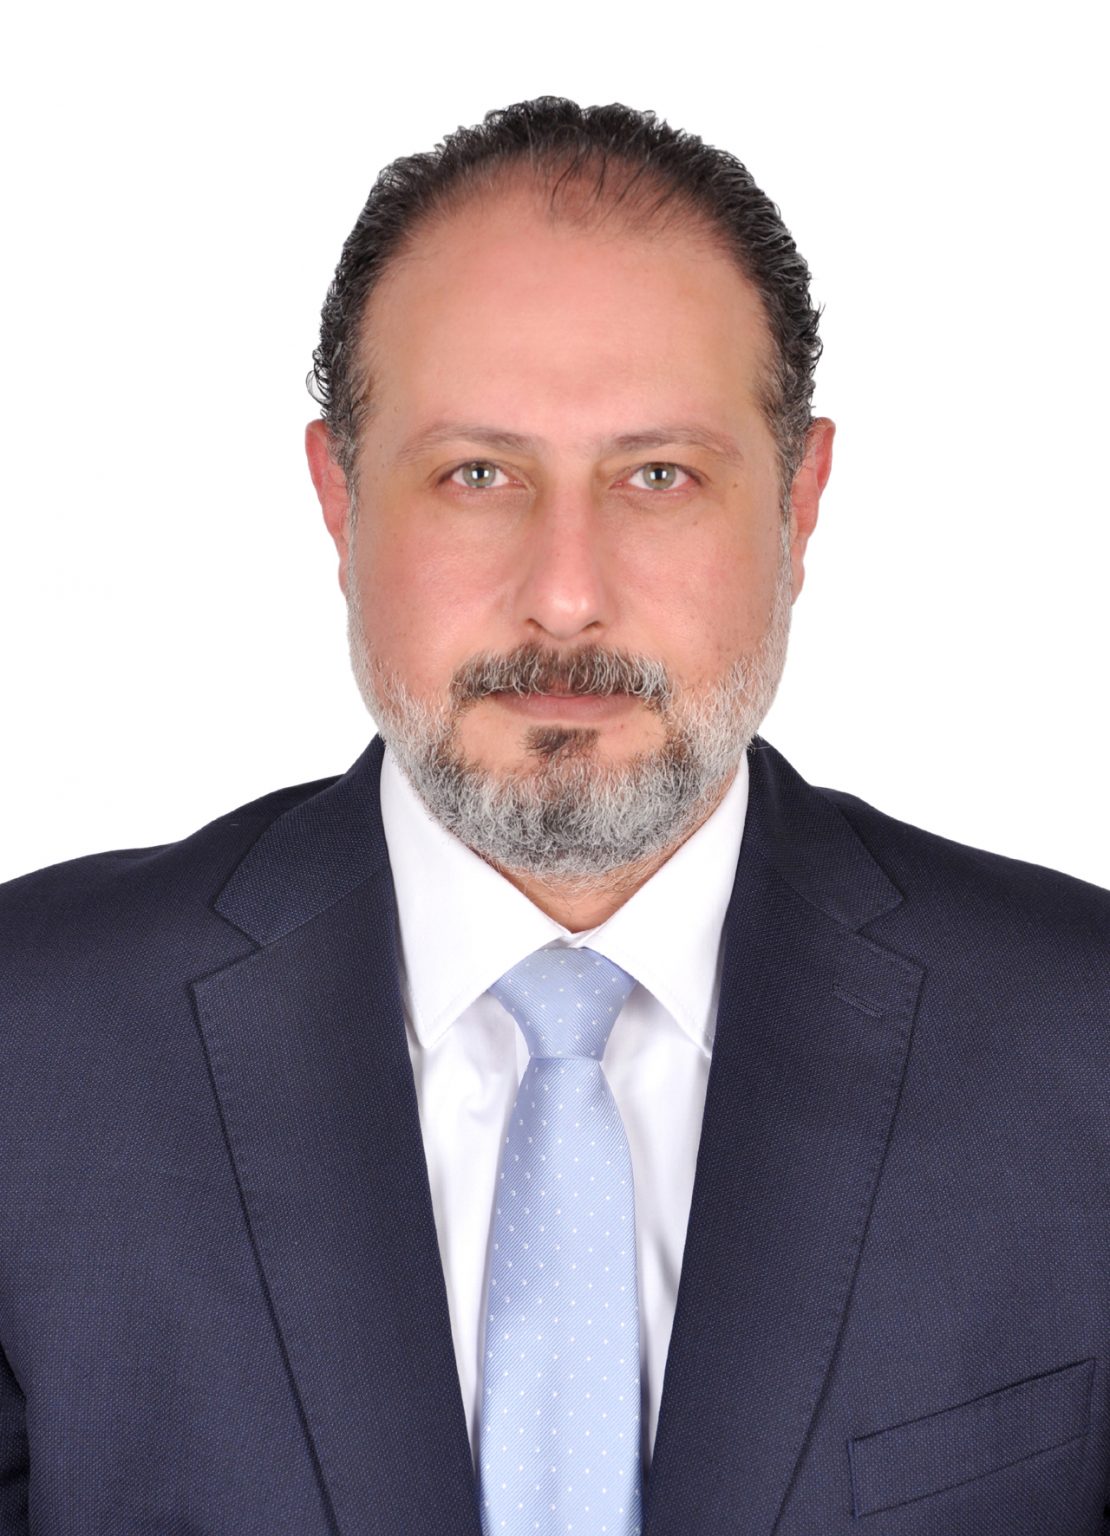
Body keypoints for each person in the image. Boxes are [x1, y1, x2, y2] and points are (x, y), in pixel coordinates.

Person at [0, 94, 1106, 1536]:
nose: (566, 595)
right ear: (339, 501)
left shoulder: (1084, 1042)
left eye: (658, 476)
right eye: (478, 474)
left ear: (799, 503)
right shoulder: (28, 1044)